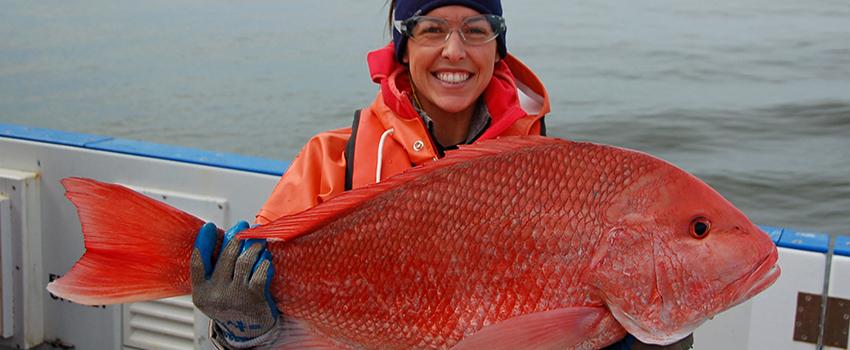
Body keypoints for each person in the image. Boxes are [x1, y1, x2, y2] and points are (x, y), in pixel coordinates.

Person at [189, 1, 693, 349]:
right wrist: (243, 332)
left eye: (476, 30)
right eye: (432, 29)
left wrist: (655, 335)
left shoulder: (554, 173)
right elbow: (281, 332)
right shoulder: (331, 160)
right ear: (403, 47)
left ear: (499, 49)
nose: (455, 50)